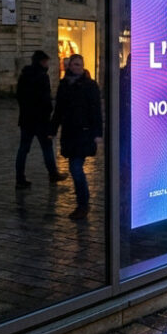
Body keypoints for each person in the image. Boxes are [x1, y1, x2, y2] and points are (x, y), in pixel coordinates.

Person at [49, 53, 102, 220]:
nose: (76, 67)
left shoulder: (90, 85)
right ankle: (82, 204)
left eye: (79, 64)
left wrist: (97, 133)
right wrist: (52, 130)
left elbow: (96, 111)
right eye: (74, 64)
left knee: (76, 168)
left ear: (83, 66)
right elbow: (58, 109)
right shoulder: (64, 84)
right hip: (69, 133)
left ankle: (83, 204)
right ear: (69, 66)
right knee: (74, 168)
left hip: (84, 132)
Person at [16, 50, 66, 189]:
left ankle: (19, 179)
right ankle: (53, 174)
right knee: (47, 148)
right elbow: (45, 99)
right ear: (41, 62)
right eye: (46, 61)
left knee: (23, 150)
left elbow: (19, 96)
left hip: (26, 119)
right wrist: (48, 112)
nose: (48, 64)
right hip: (40, 120)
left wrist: (25, 111)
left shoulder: (24, 75)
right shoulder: (42, 76)